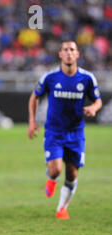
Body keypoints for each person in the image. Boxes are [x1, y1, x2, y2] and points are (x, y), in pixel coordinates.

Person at [28, 40, 102, 219]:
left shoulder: (87, 78)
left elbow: (98, 100)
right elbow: (34, 97)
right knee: (56, 170)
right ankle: (51, 178)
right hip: (54, 131)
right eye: (65, 50)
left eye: (72, 50)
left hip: (76, 132)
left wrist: (94, 108)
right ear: (60, 54)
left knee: (72, 174)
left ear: (77, 54)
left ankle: (61, 208)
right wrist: (32, 121)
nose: (69, 53)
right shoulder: (50, 77)